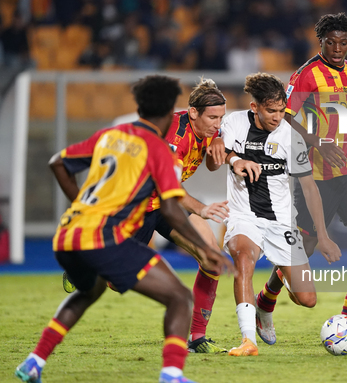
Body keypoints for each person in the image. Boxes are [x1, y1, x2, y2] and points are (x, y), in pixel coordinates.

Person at [14, 75, 233, 383]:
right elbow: (172, 204)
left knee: (90, 293)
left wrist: (81, 205)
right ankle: (171, 375)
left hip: (72, 230)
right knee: (172, 296)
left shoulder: (110, 134)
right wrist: (201, 213)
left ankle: (34, 361)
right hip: (126, 221)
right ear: (178, 111)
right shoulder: (162, 147)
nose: (217, 122)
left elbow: (58, 163)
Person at [254, 12, 347, 347]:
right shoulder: (306, 75)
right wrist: (317, 142)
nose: (337, 47)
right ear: (320, 41)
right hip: (315, 176)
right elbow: (283, 118)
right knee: (305, 249)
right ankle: (265, 301)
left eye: (343, 42)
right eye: (330, 42)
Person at [63, 78, 231, 354]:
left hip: (167, 206)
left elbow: (212, 165)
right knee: (118, 284)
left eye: (221, 117)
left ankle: (197, 337)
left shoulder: (212, 130)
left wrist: (217, 148)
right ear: (192, 113)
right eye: (212, 117)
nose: (217, 123)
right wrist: (201, 208)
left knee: (211, 256)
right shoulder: (172, 138)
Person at [220, 73, 341, 356]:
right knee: (244, 256)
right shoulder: (234, 123)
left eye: (281, 110)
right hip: (244, 215)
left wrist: (323, 236)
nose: (277, 117)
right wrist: (235, 160)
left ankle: (265, 302)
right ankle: (248, 340)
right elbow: (220, 151)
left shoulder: (291, 137)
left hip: (281, 220)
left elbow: (309, 188)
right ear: (255, 108)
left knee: (306, 299)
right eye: (271, 111)